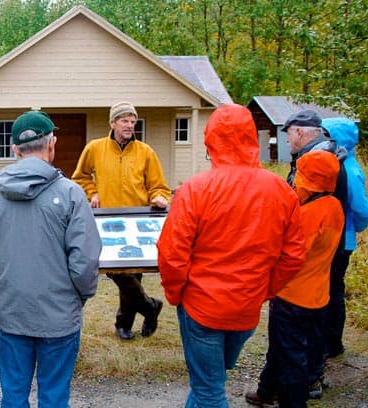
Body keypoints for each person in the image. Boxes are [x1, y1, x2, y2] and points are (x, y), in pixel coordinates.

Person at [156, 104, 306, 407]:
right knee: (208, 380)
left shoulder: (195, 189)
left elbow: (172, 253)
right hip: (245, 308)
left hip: (201, 307)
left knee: (209, 389)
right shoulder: (281, 190)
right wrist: (264, 290)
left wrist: (177, 294)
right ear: (252, 139)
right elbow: (294, 255)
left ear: (211, 142)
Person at [0, 110, 101, 407]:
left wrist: (8, 283)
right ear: (52, 143)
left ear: (15, 149)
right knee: (54, 397)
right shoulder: (71, 194)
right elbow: (85, 261)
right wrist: (78, 296)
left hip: (12, 311)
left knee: (14, 395)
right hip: (59, 315)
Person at [246, 150, 345, 408]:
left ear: (310, 179)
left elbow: (289, 255)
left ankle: (292, 401)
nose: (296, 179)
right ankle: (267, 391)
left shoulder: (309, 213)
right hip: (318, 294)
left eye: (300, 174)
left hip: (292, 296)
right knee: (285, 349)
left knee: (291, 356)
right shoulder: (334, 206)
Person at [72, 101, 170, 340]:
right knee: (119, 273)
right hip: (107, 221)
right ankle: (150, 307)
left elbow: (159, 186)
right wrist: (92, 192)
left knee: (131, 275)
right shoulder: (95, 148)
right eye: (124, 120)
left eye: (132, 121)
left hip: (137, 221)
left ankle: (123, 324)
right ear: (113, 123)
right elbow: (80, 176)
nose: (129, 125)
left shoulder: (146, 152)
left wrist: (158, 198)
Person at [320, 117, 368, 359]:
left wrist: (353, 228)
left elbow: (362, 209)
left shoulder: (348, 170)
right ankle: (329, 341)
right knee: (331, 288)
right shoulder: (340, 164)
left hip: (342, 239)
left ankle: (332, 343)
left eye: (326, 134)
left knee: (332, 290)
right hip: (338, 237)